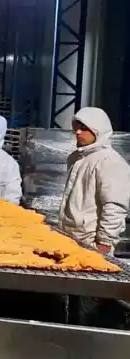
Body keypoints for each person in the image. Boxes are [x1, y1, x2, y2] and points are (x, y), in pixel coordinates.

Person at [59, 107, 130, 254]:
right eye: (76, 127)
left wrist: (105, 241)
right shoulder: (77, 158)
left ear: (98, 130)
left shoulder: (109, 161)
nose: (78, 132)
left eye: (84, 128)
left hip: (91, 242)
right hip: (69, 236)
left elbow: (115, 205)